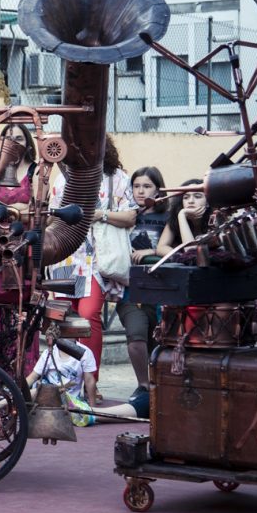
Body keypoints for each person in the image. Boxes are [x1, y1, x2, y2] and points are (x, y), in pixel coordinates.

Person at [46, 136, 135, 402]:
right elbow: (51, 215)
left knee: (88, 315)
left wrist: (100, 214)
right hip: (66, 256)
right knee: (60, 319)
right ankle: (62, 384)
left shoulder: (118, 177)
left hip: (96, 258)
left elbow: (130, 216)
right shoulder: (63, 178)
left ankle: (91, 384)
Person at [116, 167, 169, 392]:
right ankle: (144, 386)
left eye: (147, 186)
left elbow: (175, 249)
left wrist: (151, 252)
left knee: (159, 342)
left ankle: (160, 386)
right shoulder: (125, 215)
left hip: (161, 288)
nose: (140, 191)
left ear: (158, 189)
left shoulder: (168, 216)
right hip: (131, 289)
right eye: (136, 186)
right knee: (136, 339)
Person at [24, 337, 98, 425]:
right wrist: (17, 390)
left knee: (86, 416)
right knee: (32, 393)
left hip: (69, 401)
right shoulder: (49, 352)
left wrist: (93, 408)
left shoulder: (85, 352)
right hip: (46, 396)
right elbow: (33, 377)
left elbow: (89, 381)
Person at [157, 178, 211, 254]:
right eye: (186, 197)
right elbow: (161, 247)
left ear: (208, 202)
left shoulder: (215, 218)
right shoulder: (176, 217)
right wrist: (181, 215)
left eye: (197, 196)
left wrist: (187, 257)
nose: (191, 201)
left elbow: (191, 251)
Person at [0, 124, 37, 207]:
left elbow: (39, 209)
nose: (13, 143)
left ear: (28, 143)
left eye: (19, 139)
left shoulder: (35, 171)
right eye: (8, 139)